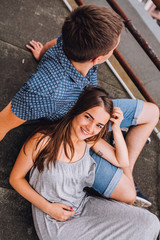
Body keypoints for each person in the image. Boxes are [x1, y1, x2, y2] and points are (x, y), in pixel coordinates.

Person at [0, 5, 159, 205]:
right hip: (72, 132)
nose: (114, 50)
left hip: (93, 109)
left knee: (153, 113)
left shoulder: (73, 41)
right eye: (113, 49)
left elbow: (53, 43)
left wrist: (43, 56)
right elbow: (1, 124)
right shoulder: (42, 92)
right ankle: (126, 171)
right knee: (128, 196)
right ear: (98, 58)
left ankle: (124, 162)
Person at [9, 86, 160, 240]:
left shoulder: (89, 141)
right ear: (77, 110)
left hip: (83, 206)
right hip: (55, 221)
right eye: (88, 117)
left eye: (99, 125)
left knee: (150, 222)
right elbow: (15, 178)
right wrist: (48, 207)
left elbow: (122, 161)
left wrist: (115, 128)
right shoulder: (42, 140)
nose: (90, 128)